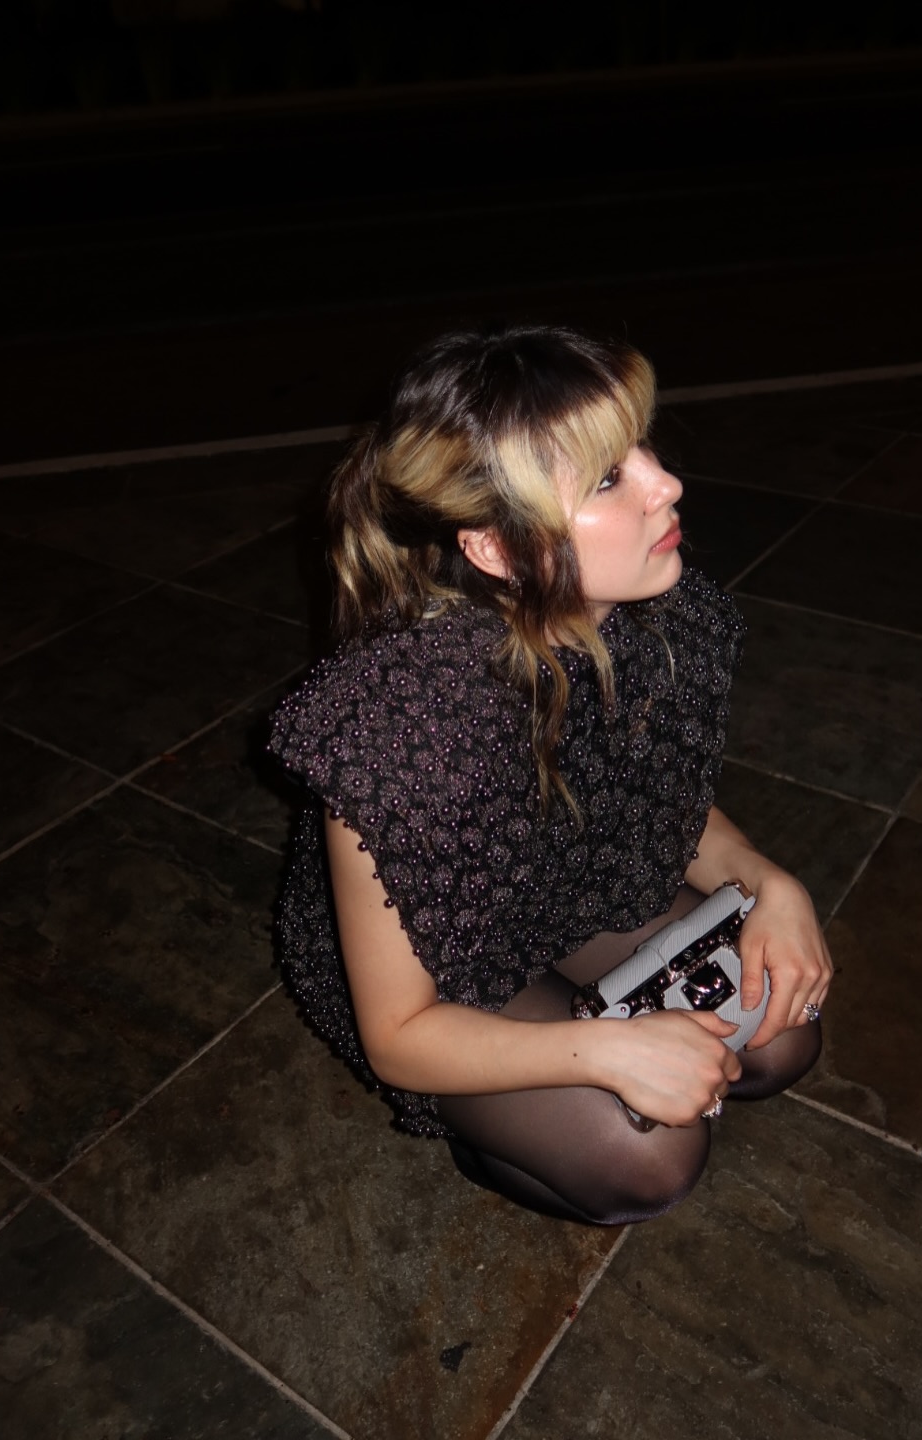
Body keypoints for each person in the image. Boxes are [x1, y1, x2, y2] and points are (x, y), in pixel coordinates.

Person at [270, 324, 832, 1225]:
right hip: (442, 959)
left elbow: (663, 796)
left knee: (781, 1034)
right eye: (608, 479)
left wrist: (770, 883)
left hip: (566, 876)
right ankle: (487, 1141)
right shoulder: (404, 734)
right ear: (496, 550)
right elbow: (399, 1035)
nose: (665, 485)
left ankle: (582, 1015)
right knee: (647, 1158)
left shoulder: (648, 616)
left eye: (641, 448)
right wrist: (604, 1051)